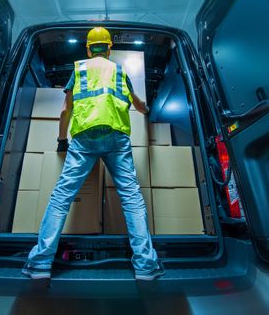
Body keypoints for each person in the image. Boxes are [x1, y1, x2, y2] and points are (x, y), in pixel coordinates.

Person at [22, 27, 165, 281]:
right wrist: (146, 111)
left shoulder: (79, 69)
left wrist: (62, 140)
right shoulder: (120, 71)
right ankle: (145, 266)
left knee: (61, 197)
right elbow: (138, 103)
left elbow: (66, 110)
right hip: (116, 138)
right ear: (109, 48)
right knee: (131, 198)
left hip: (84, 138)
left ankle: (40, 264)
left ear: (88, 49)